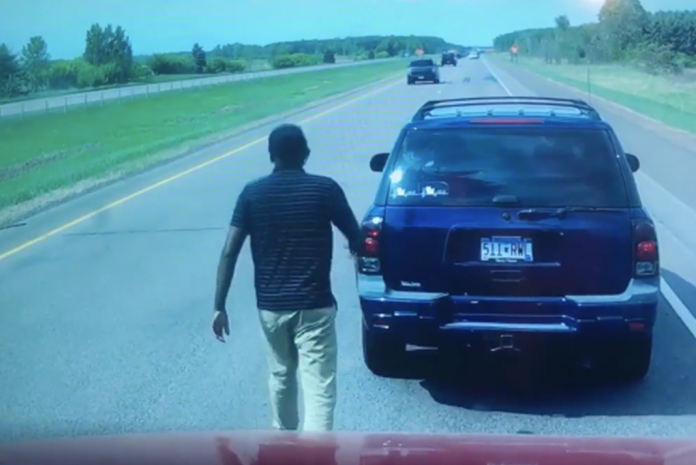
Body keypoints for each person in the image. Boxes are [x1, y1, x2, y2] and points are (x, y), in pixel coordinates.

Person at [212, 123, 362, 432]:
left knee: (281, 375)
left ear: (271, 155)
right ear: (306, 155)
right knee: (318, 385)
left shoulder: (251, 194)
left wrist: (219, 306)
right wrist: (358, 255)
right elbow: (356, 237)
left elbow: (229, 252)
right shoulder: (325, 189)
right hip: (315, 305)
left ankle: (285, 446)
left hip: (271, 307)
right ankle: (316, 454)